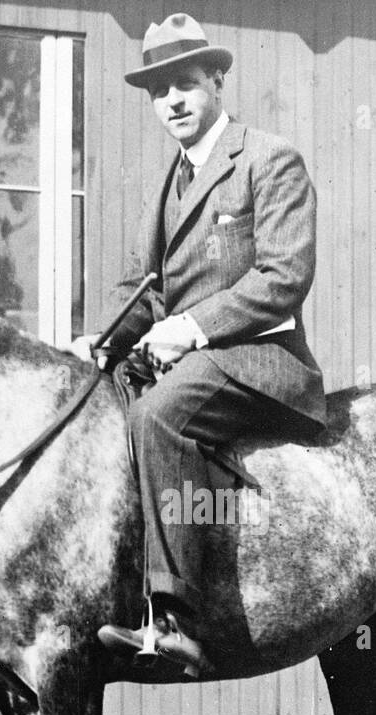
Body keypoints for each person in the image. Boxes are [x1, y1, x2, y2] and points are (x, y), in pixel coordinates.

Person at [73, 12, 326, 677]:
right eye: (160, 92)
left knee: (158, 414)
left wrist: (189, 328)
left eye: (185, 83)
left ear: (217, 80)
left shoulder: (269, 159)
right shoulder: (171, 180)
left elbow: (284, 277)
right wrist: (98, 346)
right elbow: (145, 287)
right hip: (197, 360)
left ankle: (175, 620)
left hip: (262, 362)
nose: (173, 102)